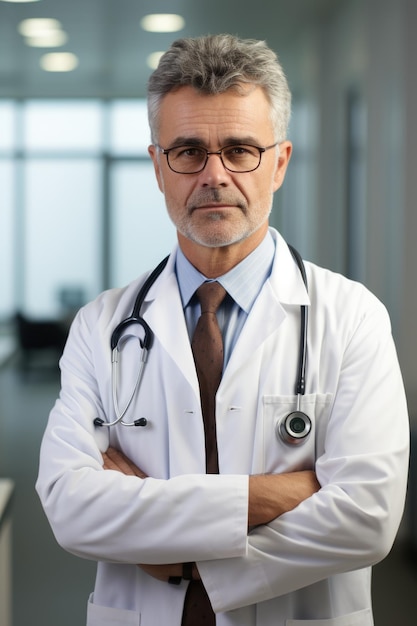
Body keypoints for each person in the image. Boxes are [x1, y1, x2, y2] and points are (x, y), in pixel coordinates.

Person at [36, 34, 409, 626]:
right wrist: (273, 495)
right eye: (188, 151)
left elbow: (366, 518)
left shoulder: (353, 316)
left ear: (280, 162)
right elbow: (69, 506)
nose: (214, 175)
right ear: (158, 166)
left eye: (240, 150)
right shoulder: (101, 325)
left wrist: (185, 561)